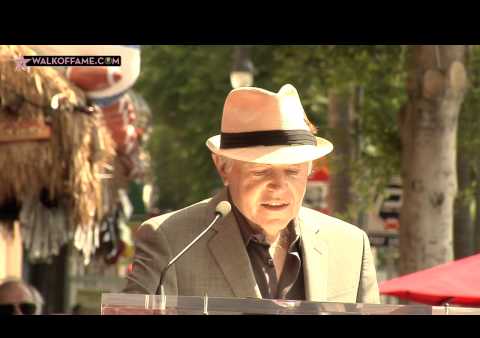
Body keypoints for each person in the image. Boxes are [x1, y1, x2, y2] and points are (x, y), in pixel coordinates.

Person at [124, 84, 380, 304]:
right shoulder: (170, 242)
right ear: (224, 167)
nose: (278, 187)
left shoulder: (351, 246)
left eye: (292, 171)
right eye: (261, 172)